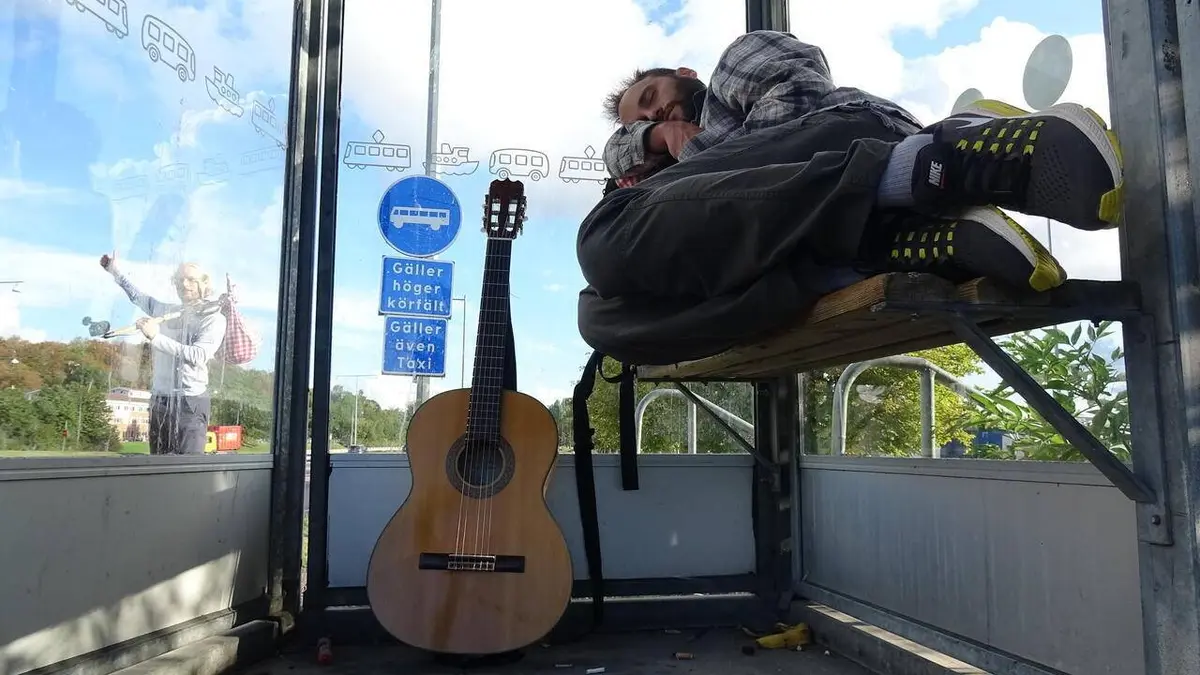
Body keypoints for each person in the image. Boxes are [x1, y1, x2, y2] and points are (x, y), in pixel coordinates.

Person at [576, 30, 1123, 365]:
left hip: (850, 136)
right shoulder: (697, 201)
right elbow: (626, 171)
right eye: (640, 122)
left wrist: (697, 156)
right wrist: (656, 142)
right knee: (600, 318)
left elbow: (799, 94)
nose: (655, 113)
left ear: (683, 75)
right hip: (811, 229)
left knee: (602, 236)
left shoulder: (729, 71)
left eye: (652, 98)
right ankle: (883, 242)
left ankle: (933, 165)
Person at [100, 253, 227, 455]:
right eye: (179, 280)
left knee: (187, 467)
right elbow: (138, 297)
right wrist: (115, 271)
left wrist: (155, 337)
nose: (184, 284)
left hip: (190, 403)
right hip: (160, 400)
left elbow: (199, 355)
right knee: (158, 465)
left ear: (205, 283)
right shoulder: (167, 311)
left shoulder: (213, 319)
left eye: (191, 279)